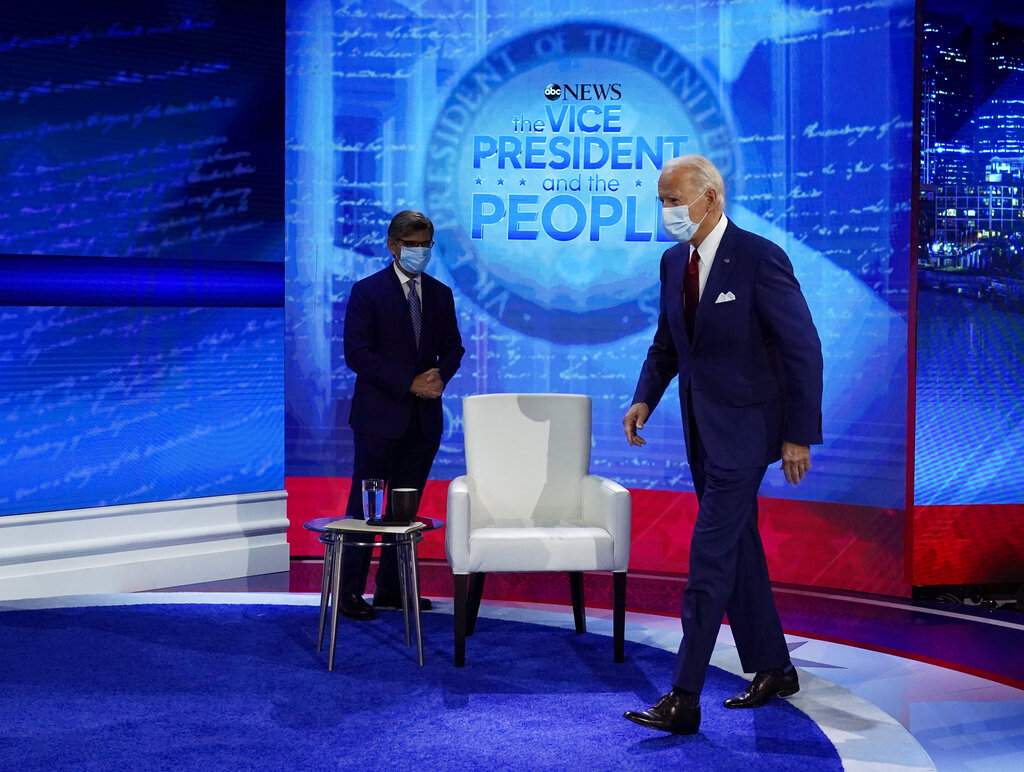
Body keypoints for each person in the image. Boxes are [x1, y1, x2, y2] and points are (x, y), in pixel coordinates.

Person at [621, 155, 823, 734]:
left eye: (674, 200)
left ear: (711, 197)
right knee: (738, 548)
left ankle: (684, 696)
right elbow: (668, 345)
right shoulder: (670, 262)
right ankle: (774, 666)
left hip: (748, 434)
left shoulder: (760, 257)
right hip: (699, 430)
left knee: (709, 557)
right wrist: (644, 399)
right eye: (661, 201)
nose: (667, 212)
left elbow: (802, 349)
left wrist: (797, 436)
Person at [339, 210, 464, 620]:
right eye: (413, 245)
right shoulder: (367, 292)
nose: (421, 252)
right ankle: (349, 592)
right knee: (365, 508)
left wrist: (437, 379)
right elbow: (357, 354)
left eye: (426, 245)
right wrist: (408, 382)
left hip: (423, 420)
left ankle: (391, 589)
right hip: (379, 417)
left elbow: (454, 349)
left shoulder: (441, 294)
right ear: (393, 246)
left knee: (403, 512)